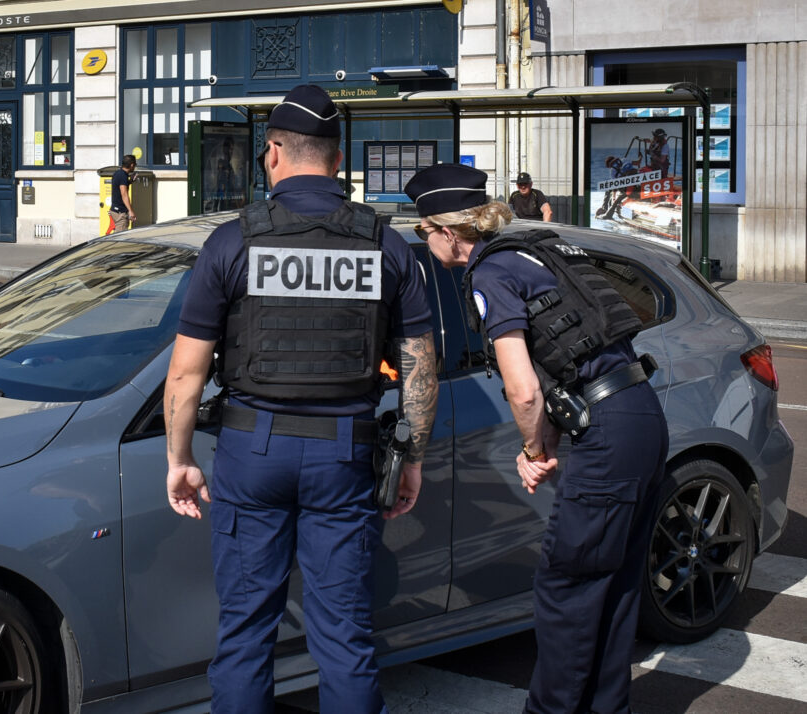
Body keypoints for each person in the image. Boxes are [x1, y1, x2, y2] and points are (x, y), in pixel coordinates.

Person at [164, 83, 437, 713]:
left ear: (273, 154)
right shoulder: (385, 245)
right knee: (343, 638)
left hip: (251, 451)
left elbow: (184, 376)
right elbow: (422, 366)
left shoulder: (233, 242)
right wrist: (413, 457)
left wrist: (180, 460)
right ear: (338, 161)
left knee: (244, 637)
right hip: (344, 456)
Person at [405, 163, 668, 714]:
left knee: (566, 586)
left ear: (448, 231)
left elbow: (523, 389)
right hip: (639, 412)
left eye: (423, 230)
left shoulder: (489, 276)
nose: (423, 241)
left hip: (606, 431)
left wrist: (534, 450)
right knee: (612, 585)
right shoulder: (531, 251)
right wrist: (546, 439)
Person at [109, 154, 137, 232]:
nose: (134, 167)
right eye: (135, 165)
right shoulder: (123, 176)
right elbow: (124, 194)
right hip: (120, 213)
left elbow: (119, 187)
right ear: (131, 165)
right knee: (119, 238)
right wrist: (131, 211)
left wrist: (130, 181)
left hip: (115, 210)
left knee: (117, 235)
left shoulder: (118, 173)